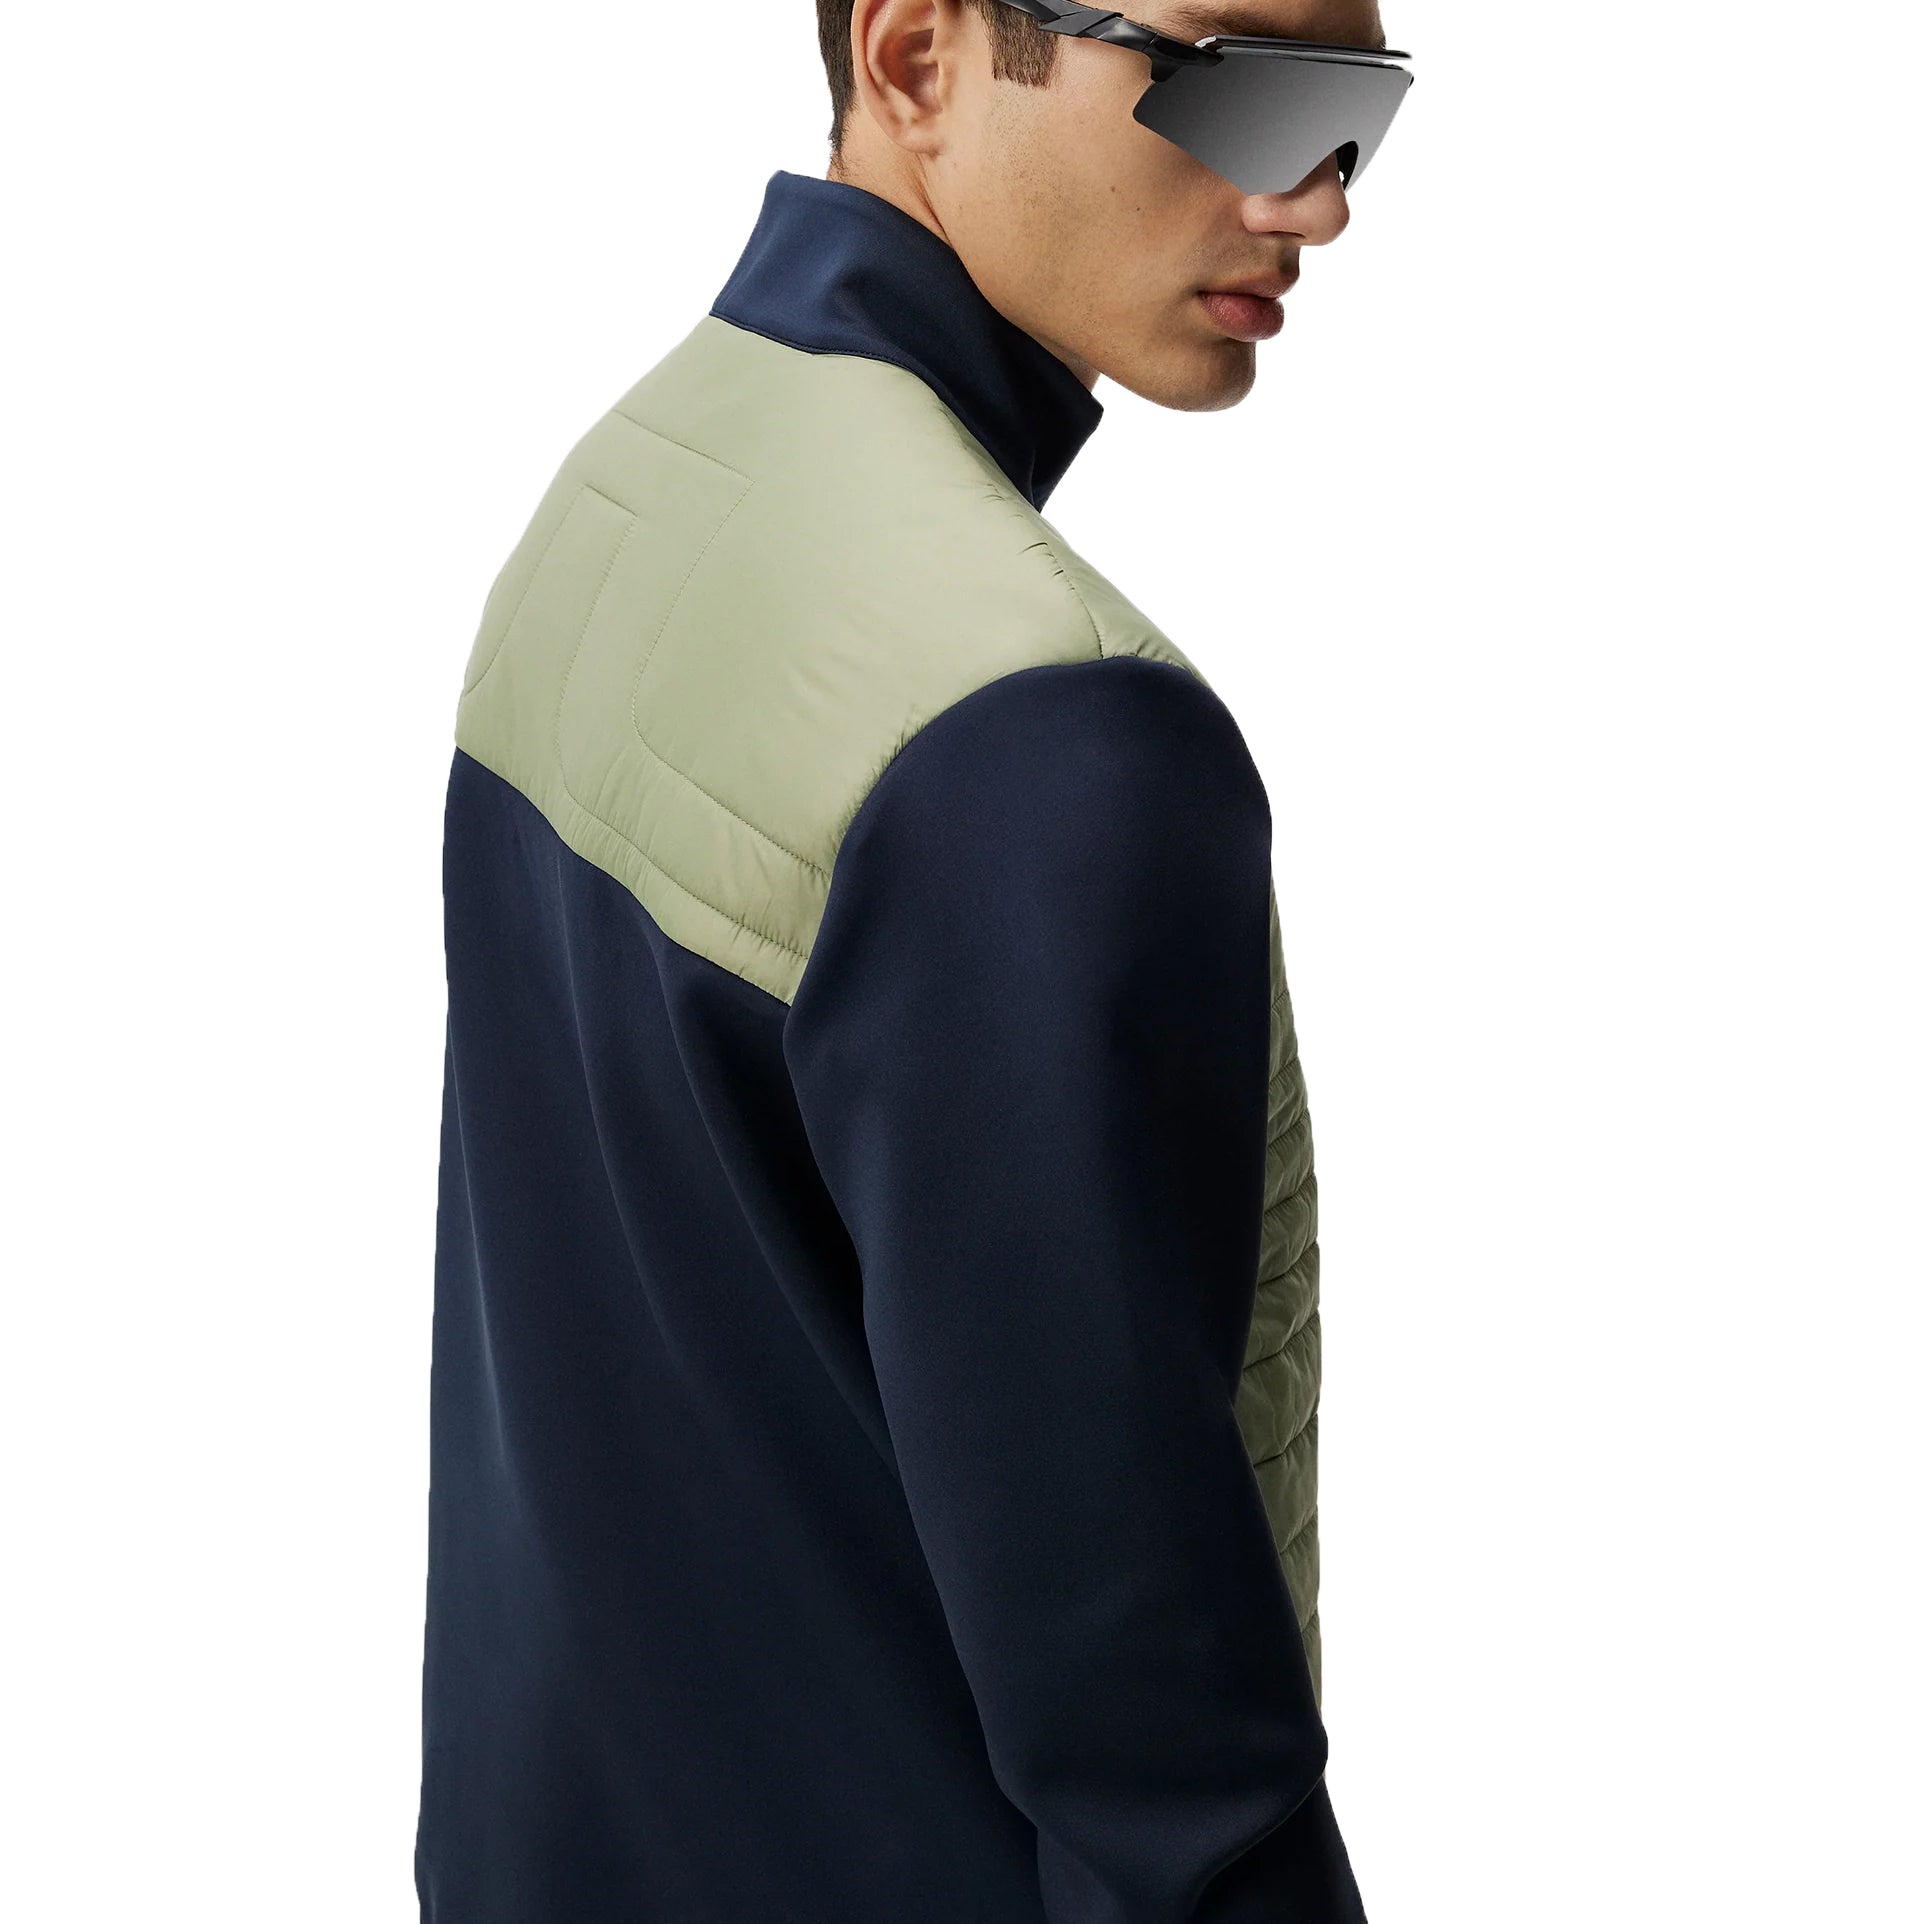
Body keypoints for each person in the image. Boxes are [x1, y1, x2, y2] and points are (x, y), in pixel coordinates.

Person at [417, 1, 1408, 1917]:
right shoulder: (1048, 742)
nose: (1318, 202)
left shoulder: (625, 490)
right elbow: (1157, 1756)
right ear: (916, 56)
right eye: (1242, 83)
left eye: (1360, 111)